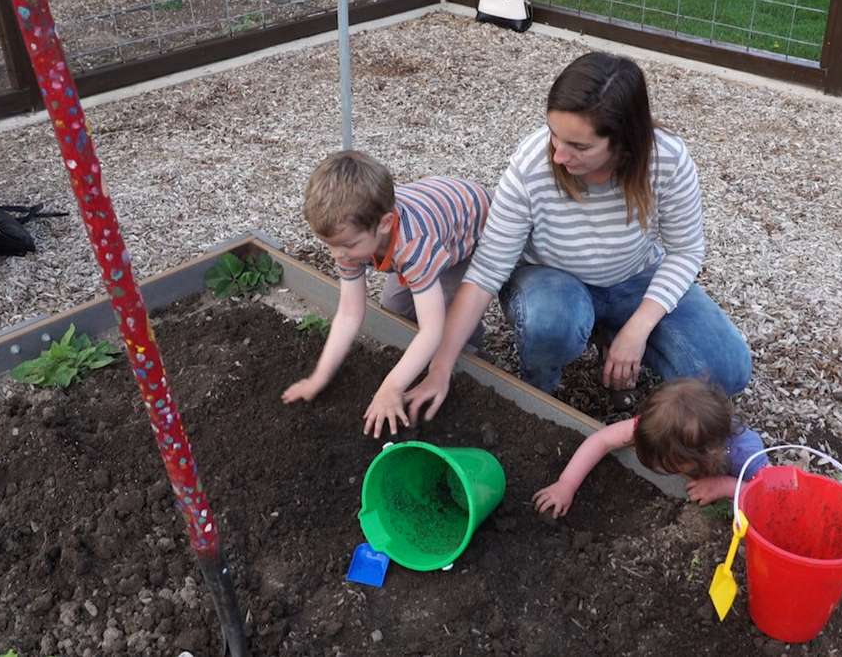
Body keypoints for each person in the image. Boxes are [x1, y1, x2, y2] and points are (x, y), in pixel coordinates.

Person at [406, 51, 750, 424]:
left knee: (726, 371)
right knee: (552, 323)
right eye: (554, 135)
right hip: (551, 279)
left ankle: (613, 330)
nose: (558, 155)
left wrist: (637, 328)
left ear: (624, 142)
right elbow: (487, 268)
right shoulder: (531, 164)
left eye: (579, 147)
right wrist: (440, 368)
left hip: (634, 277)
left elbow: (685, 252)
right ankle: (537, 398)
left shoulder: (667, 160)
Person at [281, 150, 490, 437]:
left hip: (470, 231)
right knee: (394, 306)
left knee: (451, 307)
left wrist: (390, 387)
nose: (338, 254)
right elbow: (349, 313)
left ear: (384, 224)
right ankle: (423, 358)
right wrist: (319, 378)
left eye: (348, 245)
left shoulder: (414, 245)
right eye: (330, 244)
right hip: (431, 213)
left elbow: (432, 329)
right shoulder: (348, 239)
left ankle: (470, 357)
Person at [533, 378, 768, 517]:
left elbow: (775, 494)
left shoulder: (744, 454)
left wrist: (728, 486)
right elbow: (602, 440)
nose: (663, 469)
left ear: (707, 453)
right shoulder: (660, 425)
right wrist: (567, 484)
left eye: (671, 465)